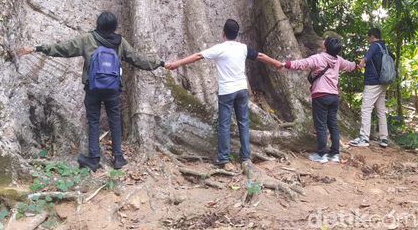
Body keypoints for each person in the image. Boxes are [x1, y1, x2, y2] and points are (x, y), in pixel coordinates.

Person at [18, 11, 165, 171]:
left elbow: (63, 49)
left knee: (93, 121)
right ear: (114, 26)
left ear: (98, 24)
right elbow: (137, 58)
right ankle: (118, 158)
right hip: (113, 89)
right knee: (114, 120)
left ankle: (94, 159)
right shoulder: (120, 42)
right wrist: (160, 63)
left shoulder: (87, 39)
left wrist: (37, 48)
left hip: (92, 88)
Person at [165, 19, 282, 168]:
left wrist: (176, 64)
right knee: (244, 123)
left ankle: (223, 157)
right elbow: (260, 56)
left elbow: (198, 56)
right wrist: (277, 63)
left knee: (224, 125)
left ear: (223, 33)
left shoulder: (220, 49)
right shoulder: (243, 48)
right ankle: (245, 156)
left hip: (227, 91)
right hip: (241, 89)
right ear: (237, 34)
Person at [280, 37, 358, 163]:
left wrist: (286, 64)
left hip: (321, 96)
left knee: (321, 125)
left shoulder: (319, 58)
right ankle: (334, 153)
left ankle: (321, 154)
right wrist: (359, 64)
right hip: (334, 96)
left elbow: (302, 63)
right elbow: (350, 66)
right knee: (333, 124)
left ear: (325, 46)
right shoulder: (338, 60)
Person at [349, 28, 391, 148]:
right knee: (380, 111)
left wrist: (361, 62)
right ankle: (384, 138)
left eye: (369, 38)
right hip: (383, 82)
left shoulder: (374, 45)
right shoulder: (384, 47)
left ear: (372, 36)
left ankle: (364, 138)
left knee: (366, 108)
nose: (369, 40)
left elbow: (366, 57)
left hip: (373, 82)